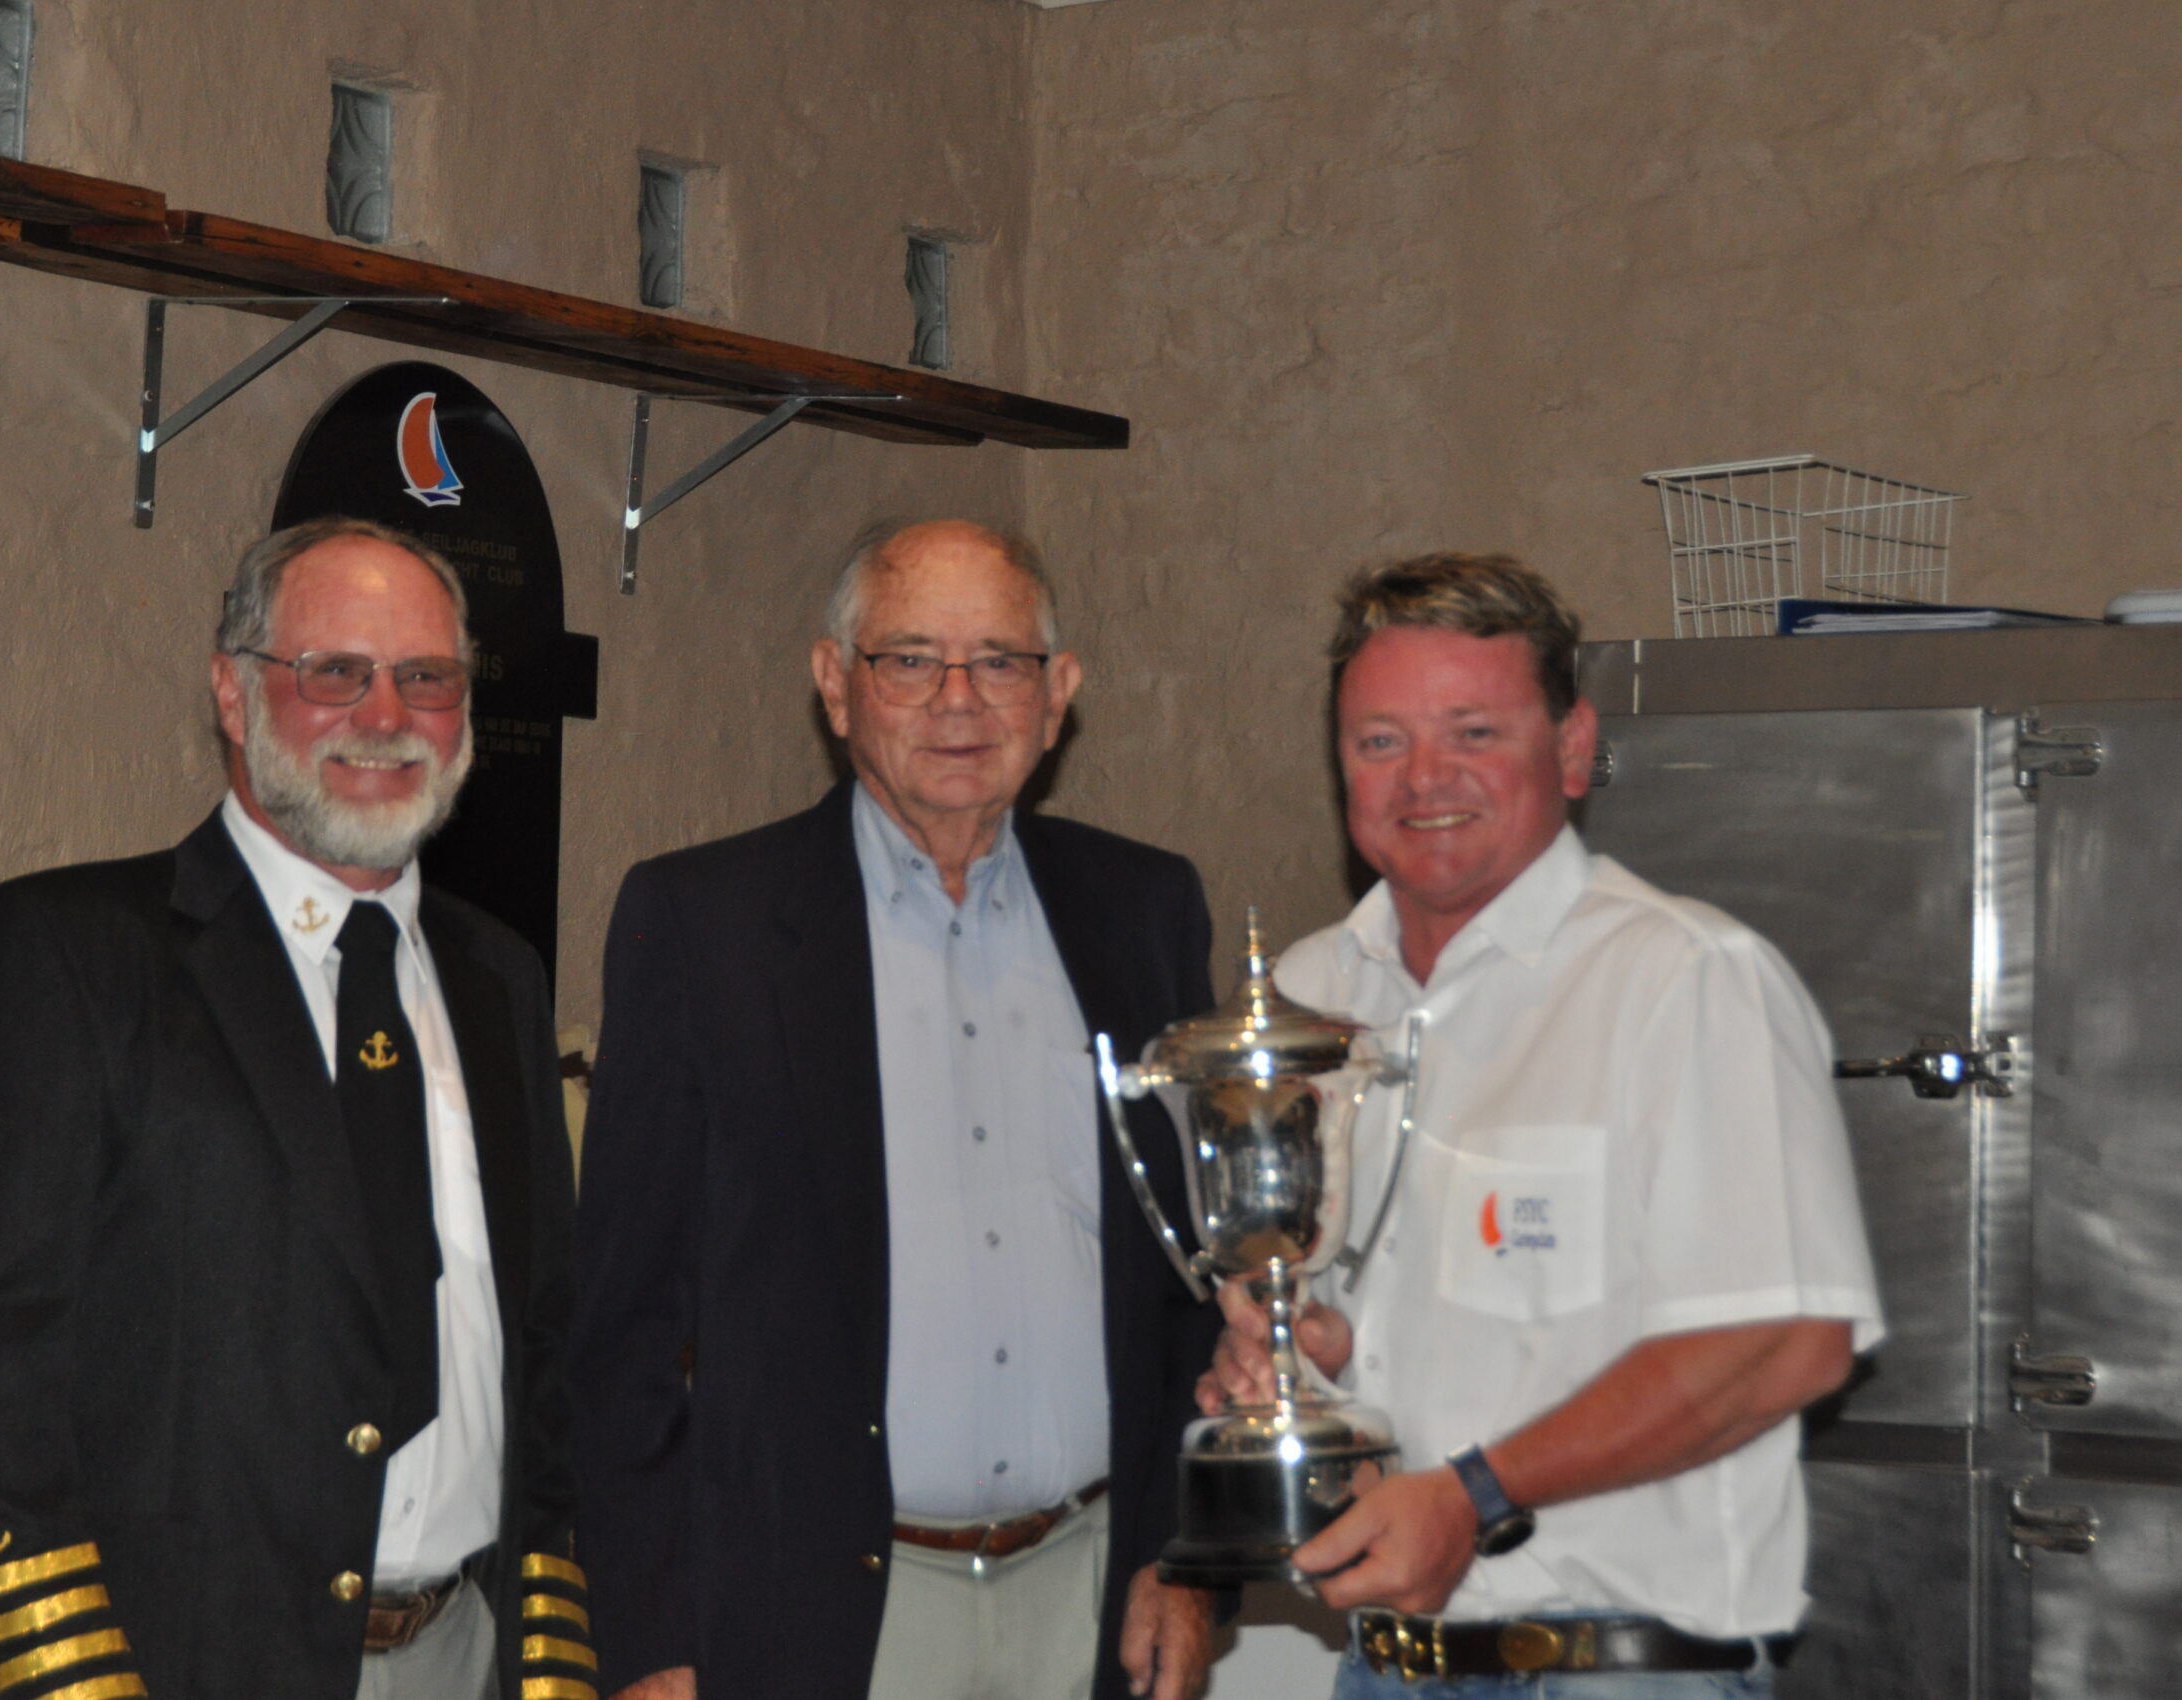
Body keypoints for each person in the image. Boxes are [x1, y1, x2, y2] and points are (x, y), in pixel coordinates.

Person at [0, 516, 590, 1700]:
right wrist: (69, 1677)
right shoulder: (69, 957)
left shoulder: (497, 976)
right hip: (178, 1665)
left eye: (426, 676)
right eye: (335, 671)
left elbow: (545, 1342)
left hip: (469, 1654)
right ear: (232, 691)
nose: (386, 714)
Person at [1202, 553, 1882, 1696]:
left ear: (1571, 748)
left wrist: (1474, 1492)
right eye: (1380, 740)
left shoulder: (1686, 976)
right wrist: (1294, 1360)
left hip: (1620, 1669)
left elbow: (1786, 1339)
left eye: (1472, 732)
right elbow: (1367, 1329)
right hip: (1385, 1665)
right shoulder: (1311, 995)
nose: (1424, 777)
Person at [572, 520, 1222, 1700]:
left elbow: (1192, 1287)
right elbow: (622, 1323)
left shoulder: (1145, 910)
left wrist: (1186, 1556)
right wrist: (650, 1637)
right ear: (835, 683)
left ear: (1058, 693)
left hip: (1093, 1591)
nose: (957, 700)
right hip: (821, 1615)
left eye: (1000, 661)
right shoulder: (705, 926)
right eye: (909, 659)